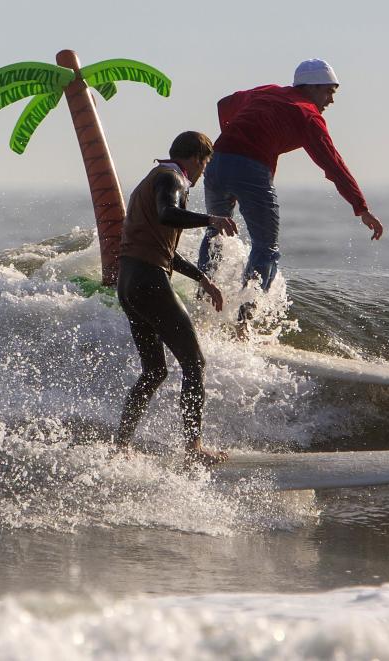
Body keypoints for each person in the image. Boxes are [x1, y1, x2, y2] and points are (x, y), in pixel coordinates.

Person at [198, 58, 384, 295]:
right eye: (328, 91)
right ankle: (243, 326)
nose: (331, 99)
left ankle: (203, 300)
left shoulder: (268, 91)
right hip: (251, 170)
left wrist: (232, 148)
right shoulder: (308, 116)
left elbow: (224, 104)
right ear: (311, 87)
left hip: (217, 161)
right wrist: (361, 208)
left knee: (216, 233)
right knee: (266, 249)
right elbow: (334, 165)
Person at [116, 131, 238, 467]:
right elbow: (169, 213)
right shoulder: (172, 178)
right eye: (205, 164)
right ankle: (194, 447)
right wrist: (210, 219)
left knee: (154, 371)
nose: (202, 174)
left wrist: (204, 280)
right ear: (198, 158)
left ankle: (121, 444)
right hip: (148, 281)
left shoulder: (155, 177)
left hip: (129, 282)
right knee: (194, 363)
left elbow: (163, 251)